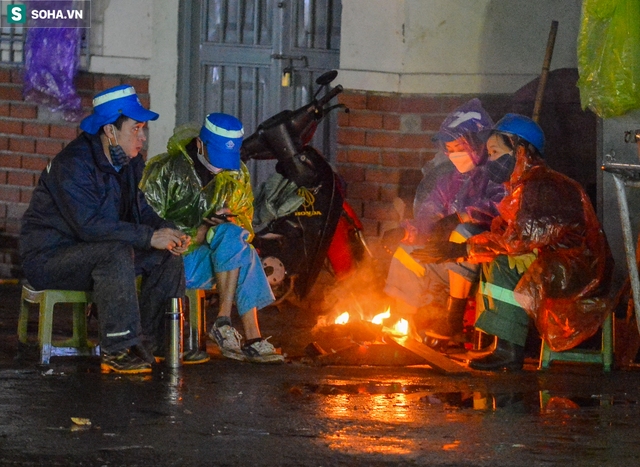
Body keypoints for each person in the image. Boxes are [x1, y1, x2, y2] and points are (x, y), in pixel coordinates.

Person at [415, 114, 613, 371]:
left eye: (496, 151)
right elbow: (507, 231)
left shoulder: (543, 185)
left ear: (520, 150)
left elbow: (519, 240)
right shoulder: (521, 186)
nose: (492, 159)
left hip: (576, 269)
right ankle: (500, 343)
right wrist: (467, 249)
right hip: (556, 259)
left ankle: (509, 349)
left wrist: (463, 249)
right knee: (491, 261)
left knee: (502, 265)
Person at [19, 84, 190, 374]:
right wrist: (149, 237)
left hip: (97, 253)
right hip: (51, 258)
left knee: (167, 255)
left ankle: (149, 342)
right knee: (116, 252)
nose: (143, 137)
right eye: (136, 129)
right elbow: (89, 227)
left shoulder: (130, 163)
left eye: (143, 129)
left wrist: (168, 231)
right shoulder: (73, 165)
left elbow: (143, 210)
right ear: (110, 131)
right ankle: (117, 348)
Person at [140, 113, 284, 364]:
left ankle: (227, 323)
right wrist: (201, 228)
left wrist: (225, 224)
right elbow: (148, 226)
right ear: (199, 144)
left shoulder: (235, 173)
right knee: (242, 252)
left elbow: (246, 223)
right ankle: (242, 333)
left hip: (218, 258)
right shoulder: (165, 171)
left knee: (233, 237)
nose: (221, 167)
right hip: (172, 263)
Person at [383, 99, 506, 348]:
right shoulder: (450, 180)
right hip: (449, 262)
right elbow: (428, 215)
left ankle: (454, 318)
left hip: (487, 261)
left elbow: (500, 209)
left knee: (463, 232)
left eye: (458, 147)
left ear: (477, 142)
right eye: (449, 149)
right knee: (408, 252)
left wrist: (460, 217)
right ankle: (400, 323)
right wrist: (405, 232)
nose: (453, 155)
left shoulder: (499, 174)